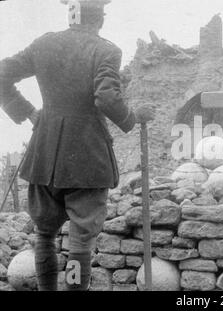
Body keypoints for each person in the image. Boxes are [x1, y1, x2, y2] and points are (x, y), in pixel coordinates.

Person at [0, 0, 153, 290]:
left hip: (44, 156)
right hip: (87, 159)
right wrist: (132, 118)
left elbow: (1, 72)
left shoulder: (44, 44)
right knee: (80, 241)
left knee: (45, 234)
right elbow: (106, 97)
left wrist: (28, 112)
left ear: (71, 13)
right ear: (101, 18)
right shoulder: (106, 50)